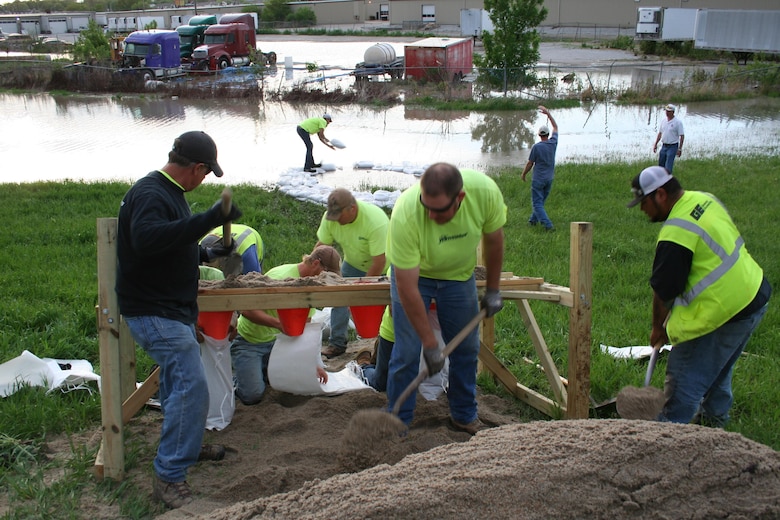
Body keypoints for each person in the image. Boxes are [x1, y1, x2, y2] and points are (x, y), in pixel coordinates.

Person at [116, 130, 242, 509]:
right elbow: (147, 239)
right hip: (153, 309)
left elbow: (169, 243)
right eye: (206, 174)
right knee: (191, 385)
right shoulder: (152, 193)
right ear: (198, 168)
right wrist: (208, 218)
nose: (204, 181)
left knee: (175, 385)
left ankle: (182, 446)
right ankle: (170, 475)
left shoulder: (170, 194)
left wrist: (204, 253)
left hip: (170, 306)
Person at [627, 165, 770, 427]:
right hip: (753, 293)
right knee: (718, 369)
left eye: (643, 202)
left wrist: (658, 328)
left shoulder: (676, 233)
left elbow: (664, 291)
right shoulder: (705, 199)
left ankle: (668, 436)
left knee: (683, 382)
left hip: (723, 312)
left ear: (660, 195)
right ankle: (714, 426)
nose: (642, 209)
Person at [385, 162, 506, 435]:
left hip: (458, 277)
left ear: (460, 197)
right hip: (417, 277)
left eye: (439, 211)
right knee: (406, 352)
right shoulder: (406, 213)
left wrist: (494, 289)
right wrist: (429, 344)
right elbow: (407, 287)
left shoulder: (484, 193)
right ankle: (398, 420)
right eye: (427, 207)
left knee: (465, 348)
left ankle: (463, 414)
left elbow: (494, 239)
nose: (431, 215)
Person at [231, 245, 341, 405]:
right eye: (327, 275)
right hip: (249, 341)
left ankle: (258, 371)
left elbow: (305, 331)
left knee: (287, 382)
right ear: (316, 264)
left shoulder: (311, 285)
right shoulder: (281, 277)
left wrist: (312, 365)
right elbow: (246, 309)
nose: (326, 281)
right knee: (252, 395)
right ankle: (238, 379)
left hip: (277, 344)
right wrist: (278, 324)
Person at [316, 188, 389, 359]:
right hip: (353, 263)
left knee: (383, 305)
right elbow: (322, 246)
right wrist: (312, 267)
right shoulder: (331, 218)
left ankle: (383, 344)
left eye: (339, 216)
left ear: (352, 209)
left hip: (384, 266)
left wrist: (363, 287)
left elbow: (379, 261)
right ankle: (337, 344)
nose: (335, 220)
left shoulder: (375, 221)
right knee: (339, 298)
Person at [521, 105, 559, 231]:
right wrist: (548, 113)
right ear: (548, 134)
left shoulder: (537, 147)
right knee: (540, 202)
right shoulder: (553, 143)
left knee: (537, 203)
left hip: (538, 180)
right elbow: (555, 127)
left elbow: (530, 163)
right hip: (549, 179)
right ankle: (532, 220)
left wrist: (524, 174)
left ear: (539, 135)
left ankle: (548, 225)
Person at [200, 223, 265, 275]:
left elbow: (254, 282)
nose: (208, 268)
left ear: (220, 257)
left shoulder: (245, 252)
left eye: (211, 266)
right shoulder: (201, 248)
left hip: (248, 241)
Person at [652, 104, 685, 174]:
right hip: (664, 146)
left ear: (673, 112)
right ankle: (661, 178)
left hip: (672, 146)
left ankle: (668, 180)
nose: (667, 113)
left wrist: (680, 149)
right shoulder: (663, 121)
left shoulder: (678, 122)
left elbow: (681, 136)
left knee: (668, 165)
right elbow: (660, 133)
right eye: (666, 111)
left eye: (669, 111)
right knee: (661, 164)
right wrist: (655, 144)